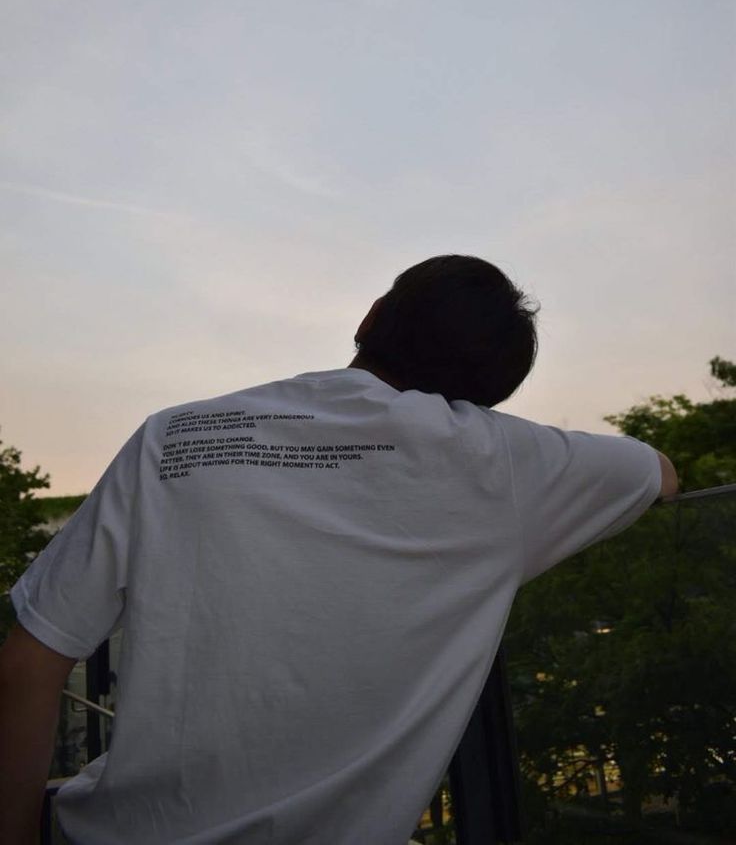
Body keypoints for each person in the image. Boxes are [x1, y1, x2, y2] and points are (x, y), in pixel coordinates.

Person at [0, 255, 677, 845]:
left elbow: (29, 663)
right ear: (490, 392)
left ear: (372, 317)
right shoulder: (503, 465)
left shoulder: (173, 436)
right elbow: (659, 472)